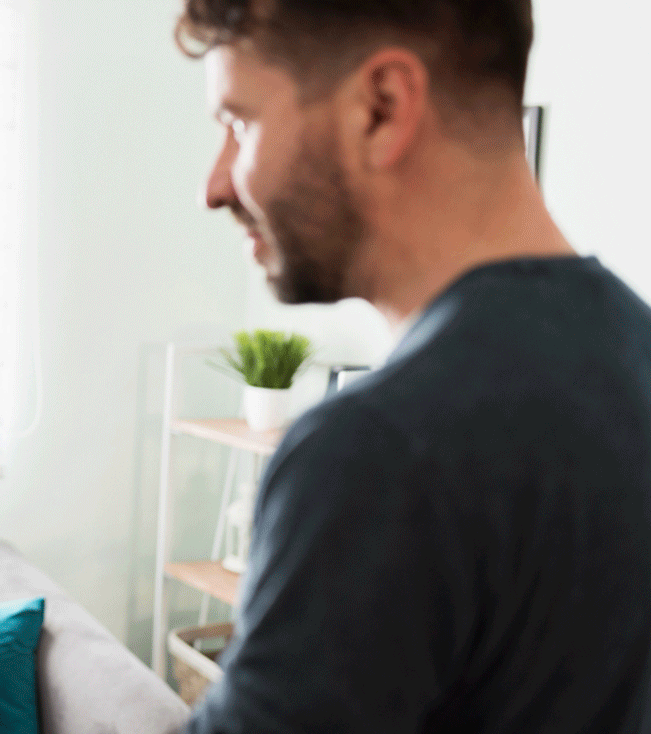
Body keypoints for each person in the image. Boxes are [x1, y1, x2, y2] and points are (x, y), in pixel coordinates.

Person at [174, 1, 651, 731]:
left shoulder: (378, 453)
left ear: (381, 107)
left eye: (239, 123)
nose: (214, 187)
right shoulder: (635, 350)